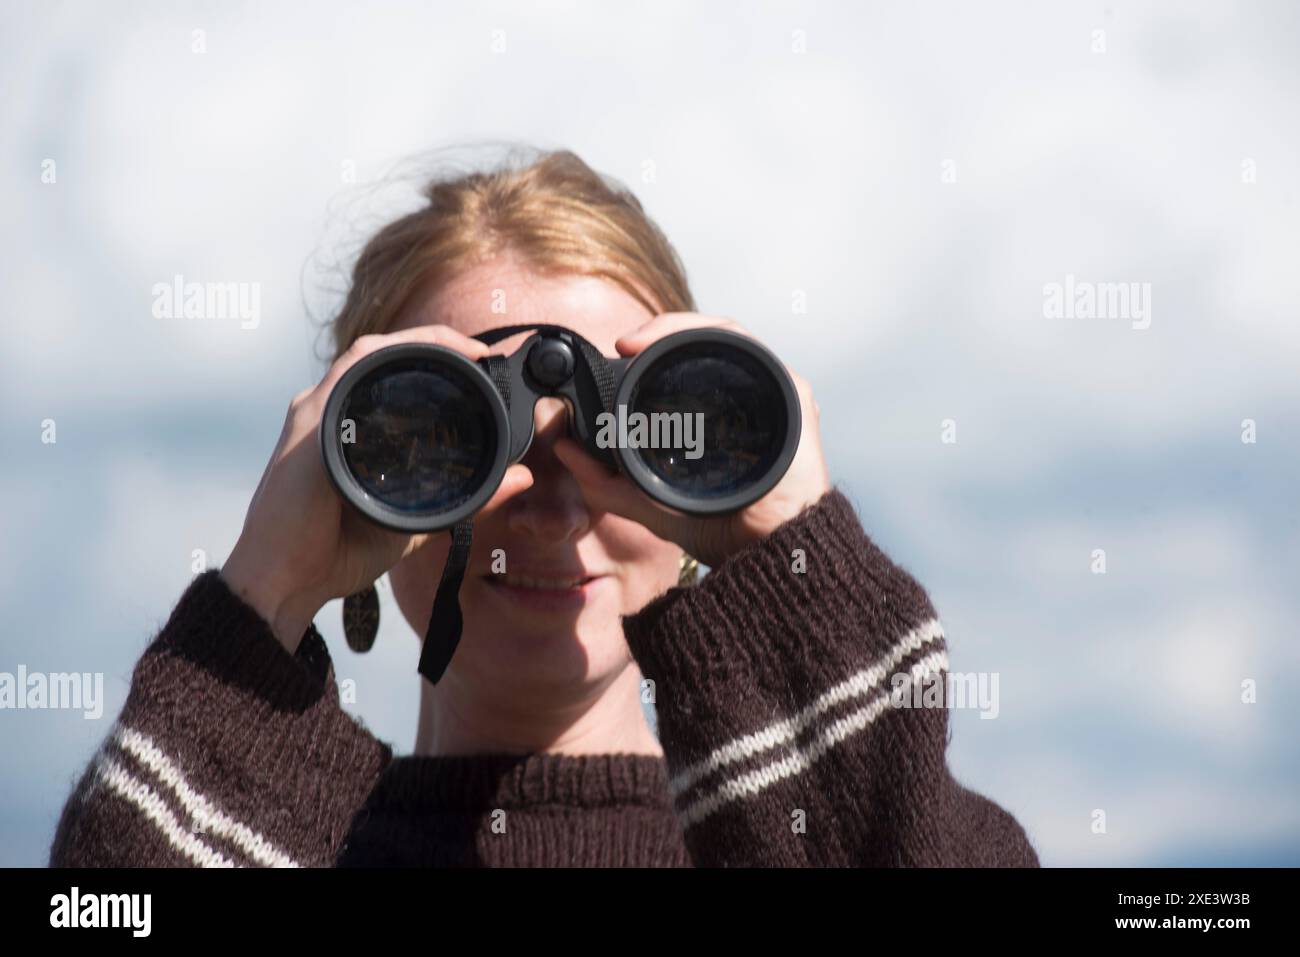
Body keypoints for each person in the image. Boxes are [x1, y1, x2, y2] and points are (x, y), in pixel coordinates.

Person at [49, 148, 1039, 867]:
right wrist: (263, 594)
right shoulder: (260, 846)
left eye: (627, 438)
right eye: (457, 441)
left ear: (702, 468)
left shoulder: (817, 840)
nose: (556, 511)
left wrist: (793, 562)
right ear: (357, 480)